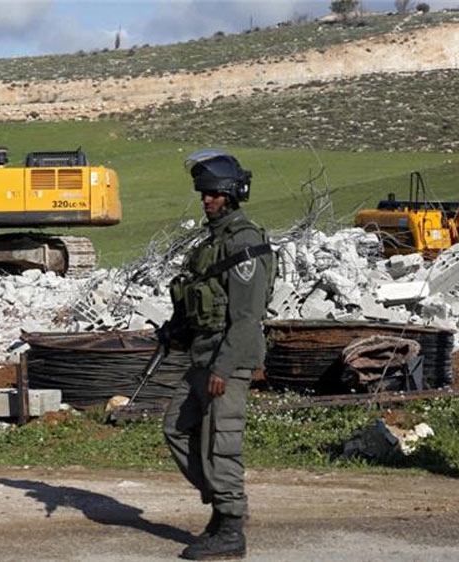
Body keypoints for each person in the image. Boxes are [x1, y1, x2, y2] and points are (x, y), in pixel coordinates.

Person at [162, 149, 274, 560]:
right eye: (203, 194)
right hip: (203, 356)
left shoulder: (245, 243)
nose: (206, 200)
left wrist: (223, 368)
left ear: (231, 195)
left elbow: (247, 317)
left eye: (212, 194)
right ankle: (224, 505)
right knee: (176, 428)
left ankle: (230, 529)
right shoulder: (214, 243)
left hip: (228, 360)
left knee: (221, 442)